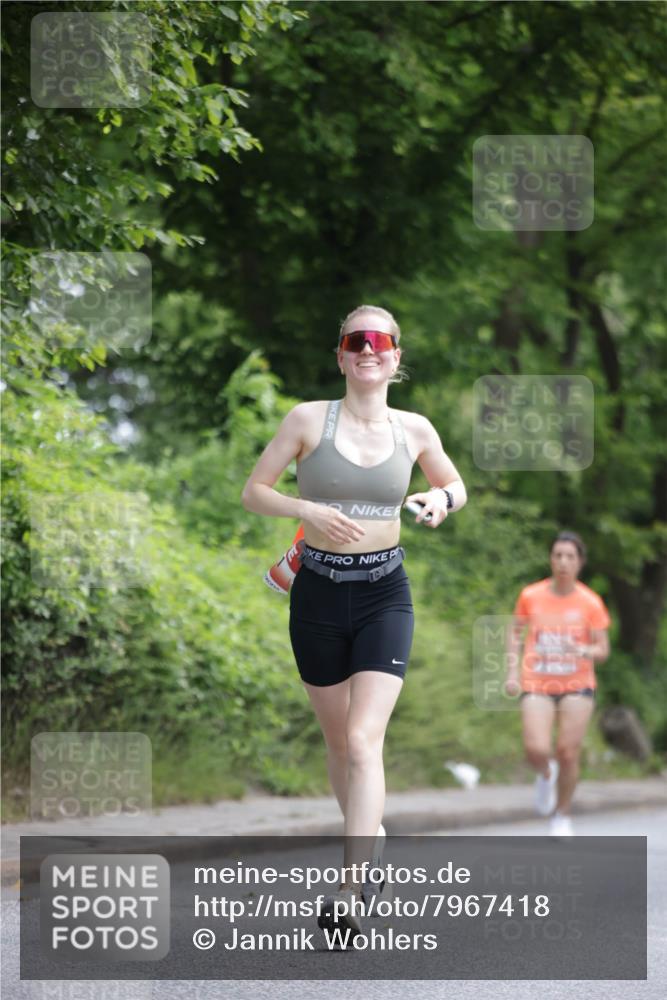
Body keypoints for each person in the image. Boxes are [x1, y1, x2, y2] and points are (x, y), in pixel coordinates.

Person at [241, 304, 467, 935]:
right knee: (339, 742)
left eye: (380, 341)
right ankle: (373, 837)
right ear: (340, 355)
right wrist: (306, 509)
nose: (369, 350)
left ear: (396, 358)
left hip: (383, 594)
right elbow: (254, 492)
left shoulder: (414, 429)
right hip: (317, 593)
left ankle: (348, 888)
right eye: (356, 340)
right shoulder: (307, 419)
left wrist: (439, 499)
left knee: (365, 740)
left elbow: (456, 486)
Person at [505, 532, 611, 836]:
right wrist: (512, 672)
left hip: (577, 683)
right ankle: (545, 773)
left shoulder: (590, 602)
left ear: (580, 563)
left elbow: (602, 650)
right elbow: (514, 633)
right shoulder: (531, 595)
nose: (563, 562)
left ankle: (562, 814)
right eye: (558, 555)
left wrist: (582, 649)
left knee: (567, 751)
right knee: (535, 748)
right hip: (537, 681)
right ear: (551, 559)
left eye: (570, 557)